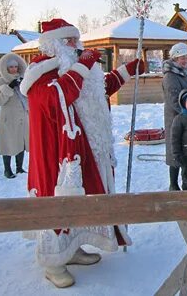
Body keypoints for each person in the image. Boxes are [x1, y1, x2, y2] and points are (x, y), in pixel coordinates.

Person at [20, 18, 141, 288]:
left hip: (80, 150)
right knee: (56, 203)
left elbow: (100, 89)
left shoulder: (70, 68)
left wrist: (128, 69)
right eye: (69, 41)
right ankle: (53, 262)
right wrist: (83, 64)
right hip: (56, 157)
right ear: (53, 45)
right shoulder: (40, 74)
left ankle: (71, 249)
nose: (76, 46)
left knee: (78, 202)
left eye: (76, 40)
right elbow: (58, 98)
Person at [163, 42, 187, 191]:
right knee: (175, 150)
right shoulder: (170, 76)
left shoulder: (186, 72)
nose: (185, 60)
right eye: (182, 57)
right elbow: (173, 100)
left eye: (186, 57)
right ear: (175, 58)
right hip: (176, 118)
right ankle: (173, 183)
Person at [0, 53, 29, 179]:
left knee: (21, 143)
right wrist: (8, 88)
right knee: (8, 144)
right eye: (11, 67)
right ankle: (7, 170)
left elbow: (28, 98)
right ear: (5, 68)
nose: (14, 69)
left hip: (23, 118)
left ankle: (19, 168)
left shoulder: (23, 80)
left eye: (15, 66)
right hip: (8, 119)